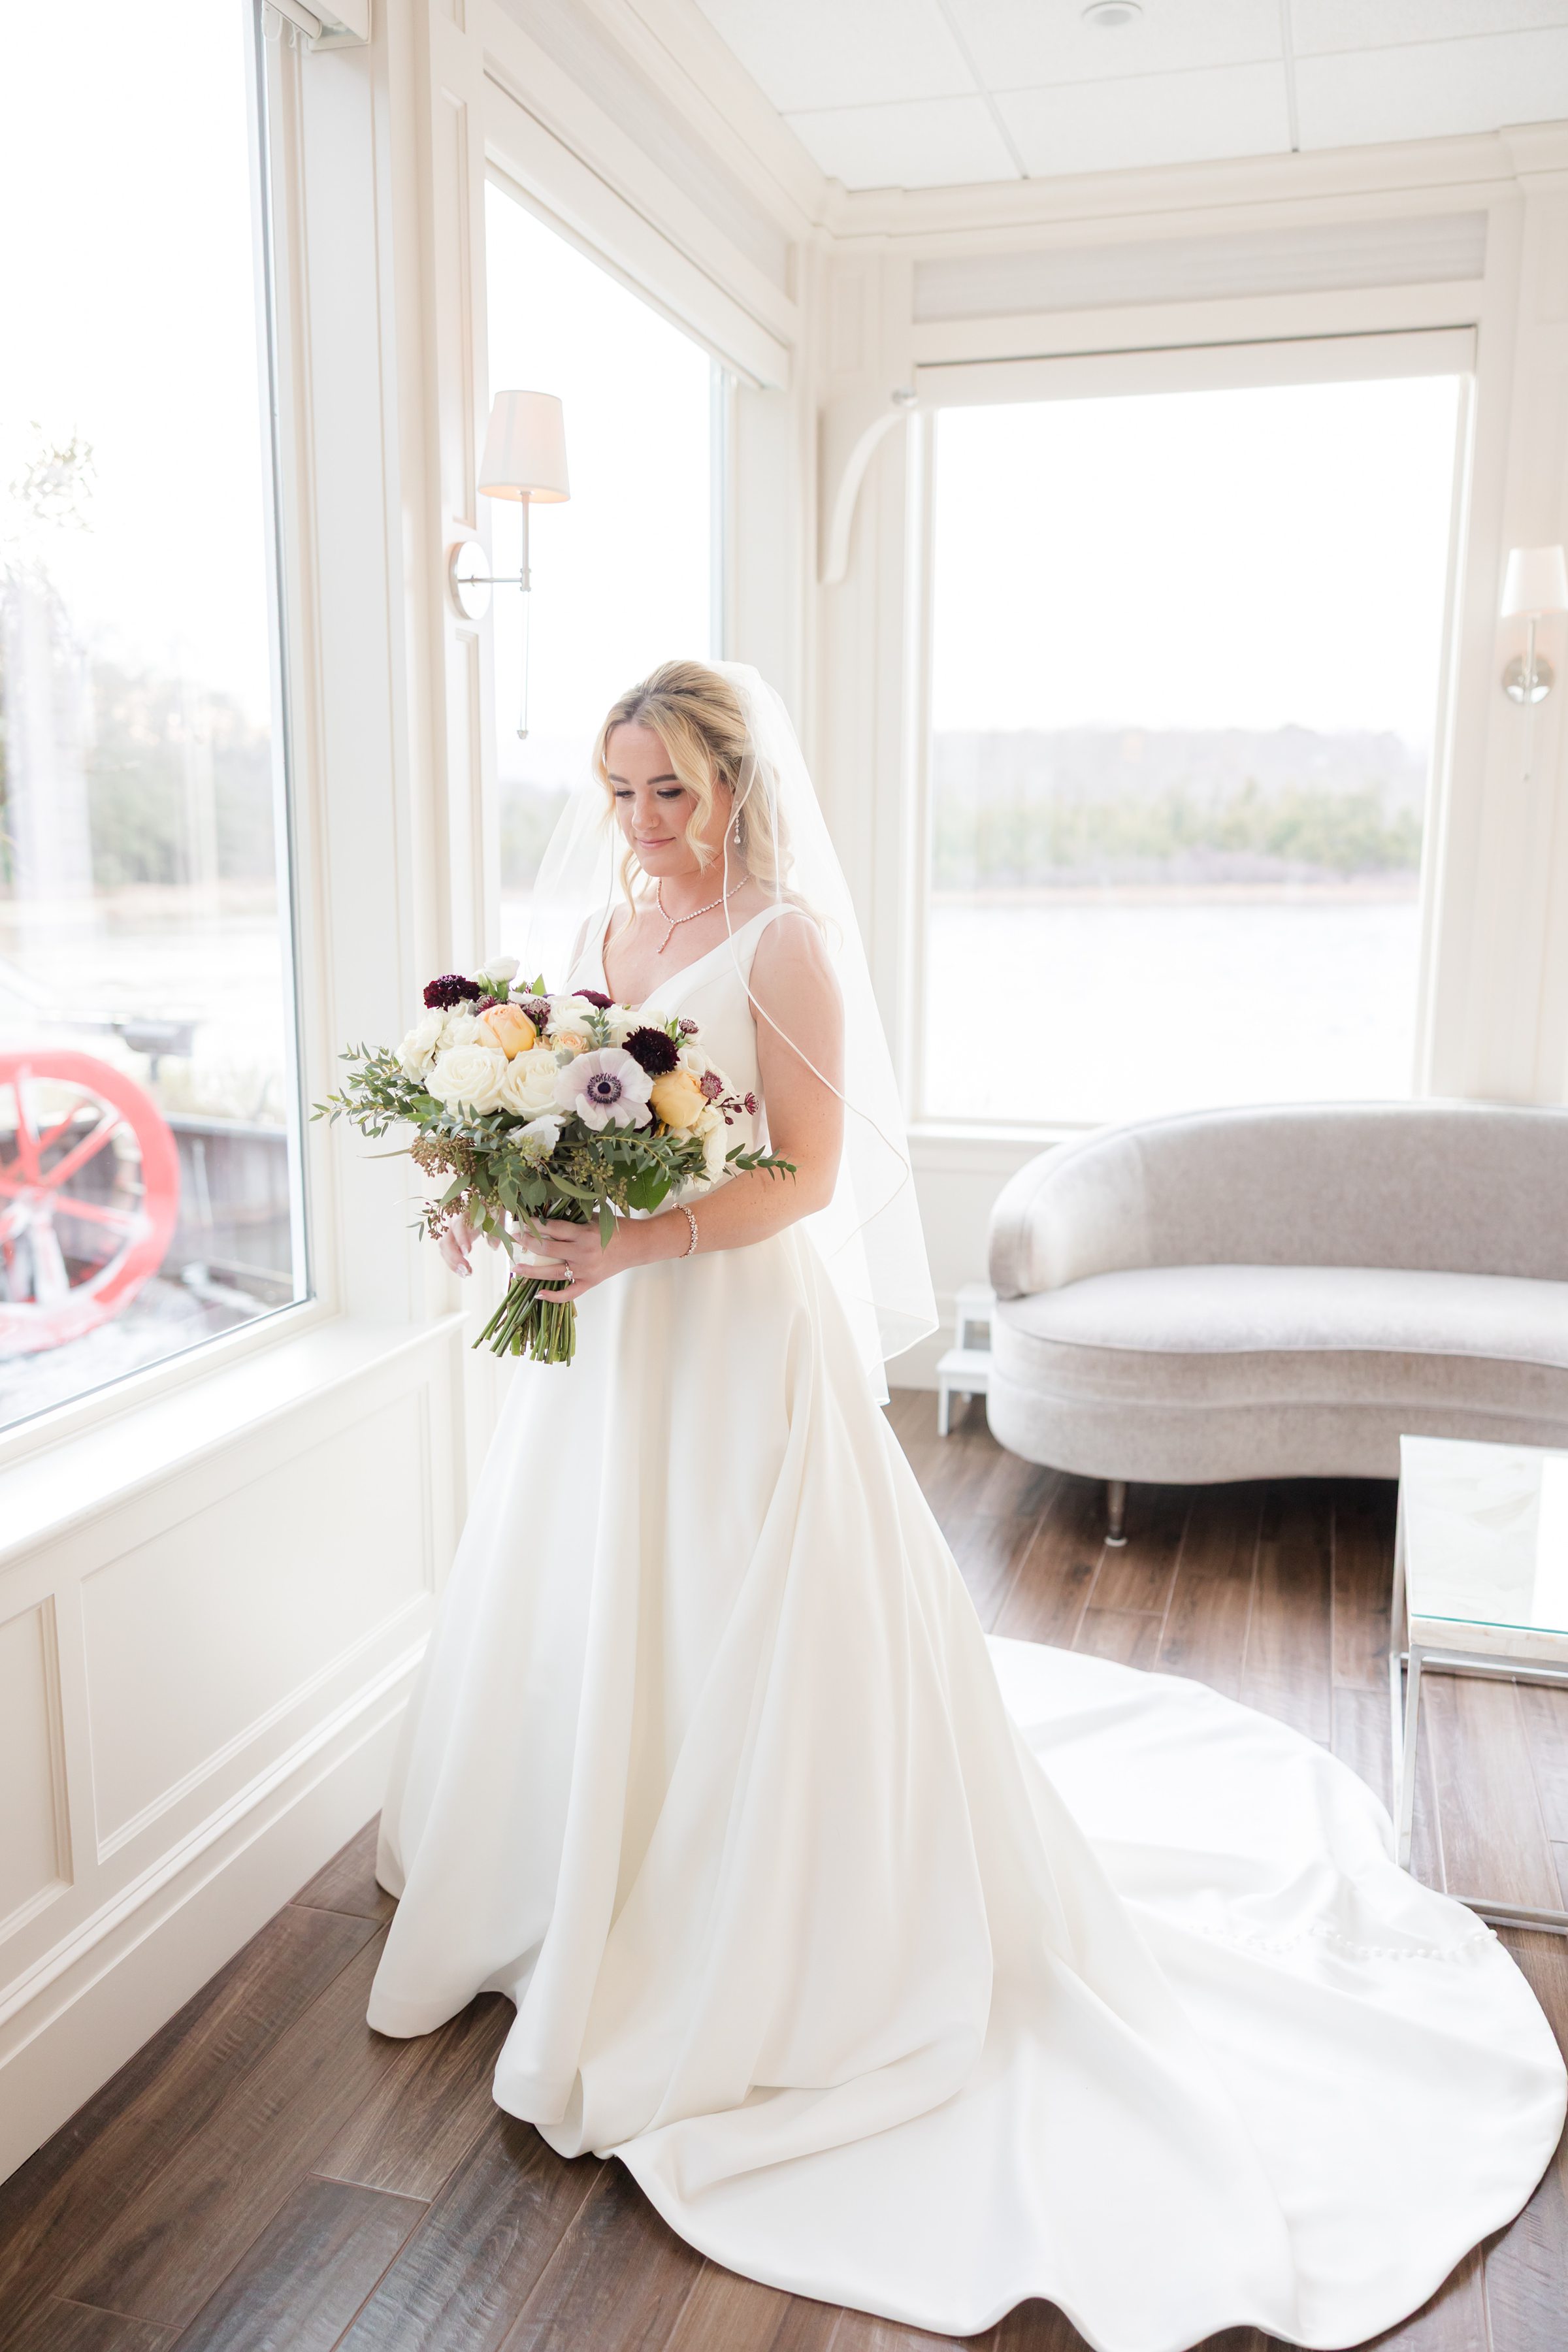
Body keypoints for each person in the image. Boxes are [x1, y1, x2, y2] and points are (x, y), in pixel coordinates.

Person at [367, 659, 1564, 2352]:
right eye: (619, 789)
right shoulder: (596, 938)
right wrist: (497, 1195)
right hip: (617, 1345)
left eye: (669, 792)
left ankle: (760, 1929)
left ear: (731, 785)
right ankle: (586, 1880)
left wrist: (628, 1238)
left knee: (746, 1613)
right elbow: (565, 1108)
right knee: (603, 1600)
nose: (642, 824)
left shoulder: (783, 940)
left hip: (727, 1332)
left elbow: (810, 1173)